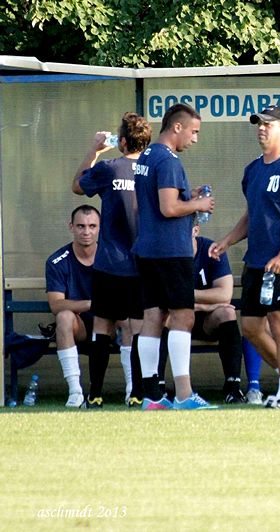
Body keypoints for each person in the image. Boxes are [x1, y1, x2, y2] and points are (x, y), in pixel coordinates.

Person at [210, 105, 280, 409]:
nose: (262, 128)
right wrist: (227, 240)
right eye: (259, 123)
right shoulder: (253, 169)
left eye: (269, 124)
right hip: (256, 261)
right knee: (252, 328)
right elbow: (252, 214)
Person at [132, 102, 215, 410]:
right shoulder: (168, 161)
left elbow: (143, 206)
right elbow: (168, 209)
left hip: (147, 249)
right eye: (193, 132)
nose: (195, 138)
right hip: (170, 250)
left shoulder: (147, 155)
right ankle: (184, 394)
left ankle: (151, 396)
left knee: (153, 316)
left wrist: (185, 198)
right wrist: (198, 205)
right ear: (176, 127)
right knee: (183, 316)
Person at [72, 112, 151, 408]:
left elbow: (78, 185)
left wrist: (94, 149)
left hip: (109, 264)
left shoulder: (109, 168)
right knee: (140, 327)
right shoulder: (152, 169)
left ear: (122, 141)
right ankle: (138, 393)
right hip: (142, 264)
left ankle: (95, 394)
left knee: (102, 327)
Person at [156, 218, 246, 403]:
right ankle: (159, 387)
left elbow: (225, 294)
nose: (176, 236)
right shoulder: (165, 252)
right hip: (175, 320)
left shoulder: (211, 249)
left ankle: (233, 387)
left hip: (204, 322)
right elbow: (162, 298)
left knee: (227, 313)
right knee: (160, 317)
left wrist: (187, 296)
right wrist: (204, 303)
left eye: (182, 230)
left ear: (195, 230)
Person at [45, 205, 100, 407]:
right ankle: (75, 392)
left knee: (129, 316)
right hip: (80, 327)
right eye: (81, 226)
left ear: (99, 228)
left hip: (109, 323)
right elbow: (56, 304)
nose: (87, 232)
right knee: (64, 316)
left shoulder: (111, 255)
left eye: (92, 226)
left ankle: (133, 392)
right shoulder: (57, 261)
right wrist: (89, 304)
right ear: (71, 227)